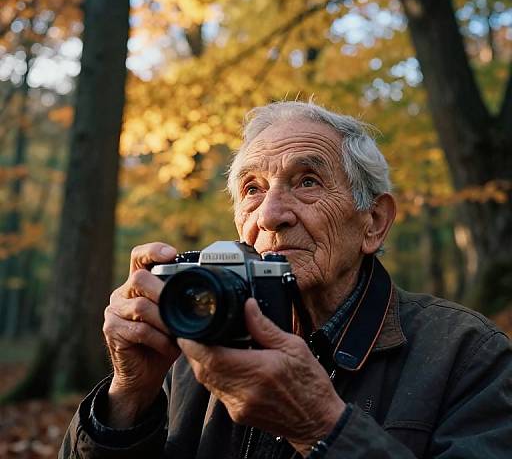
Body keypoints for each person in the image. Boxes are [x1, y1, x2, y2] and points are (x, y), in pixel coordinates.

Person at [60, 101, 512, 458]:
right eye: (252, 190)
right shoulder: (194, 340)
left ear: (373, 221)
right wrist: (129, 396)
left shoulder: (469, 355)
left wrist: (321, 427)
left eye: (308, 181)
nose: (271, 215)